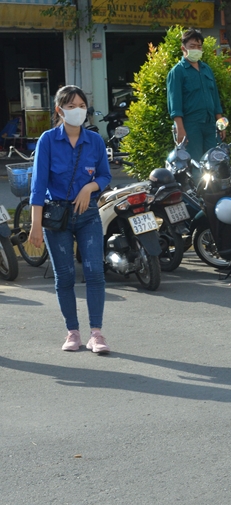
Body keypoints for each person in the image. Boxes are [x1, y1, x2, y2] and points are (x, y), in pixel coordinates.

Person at [29, 85, 112, 354]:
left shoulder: (95, 141)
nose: (78, 110)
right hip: (57, 217)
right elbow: (38, 185)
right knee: (64, 276)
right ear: (59, 110)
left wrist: (90, 188)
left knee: (94, 273)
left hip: (88, 216)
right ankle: (72, 332)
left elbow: (105, 176)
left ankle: (96, 334)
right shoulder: (48, 140)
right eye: (71, 106)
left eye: (81, 106)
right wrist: (35, 224)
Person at [167, 28, 225, 169]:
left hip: (210, 124)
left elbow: (215, 98)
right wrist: (180, 128)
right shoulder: (177, 72)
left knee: (213, 163)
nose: (196, 50)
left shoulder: (207, 69)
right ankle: (197, 191)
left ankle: (211, 191)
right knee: (195, 164)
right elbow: (175, 104)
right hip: (190, 125)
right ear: (183, 48)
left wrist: (221, 124)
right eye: (192, 46)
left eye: (199, 47)